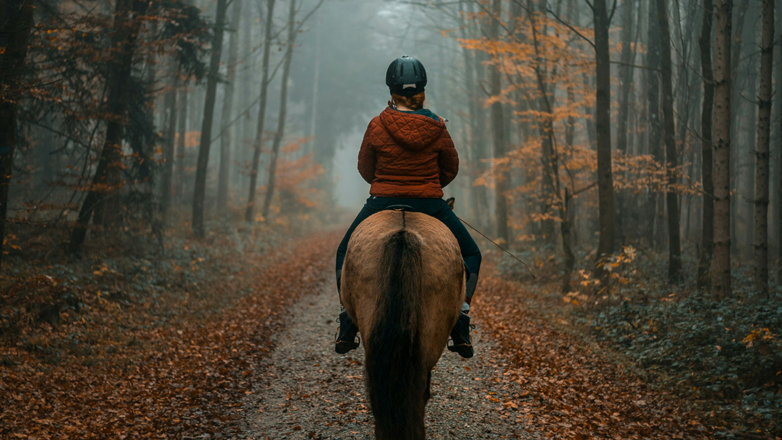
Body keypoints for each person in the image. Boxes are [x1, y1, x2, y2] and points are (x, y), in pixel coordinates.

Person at [334, 56, 481, 359]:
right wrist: (429, 185)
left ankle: (347, 321)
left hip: (382, 201)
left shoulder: (377, 124)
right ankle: (460, 318)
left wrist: (385, 183)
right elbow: (450, 168)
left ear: (391, 90)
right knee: (471, 254)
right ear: (422, 91)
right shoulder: (437, 126)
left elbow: (365, 167)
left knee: (344, 251)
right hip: (430, 204)